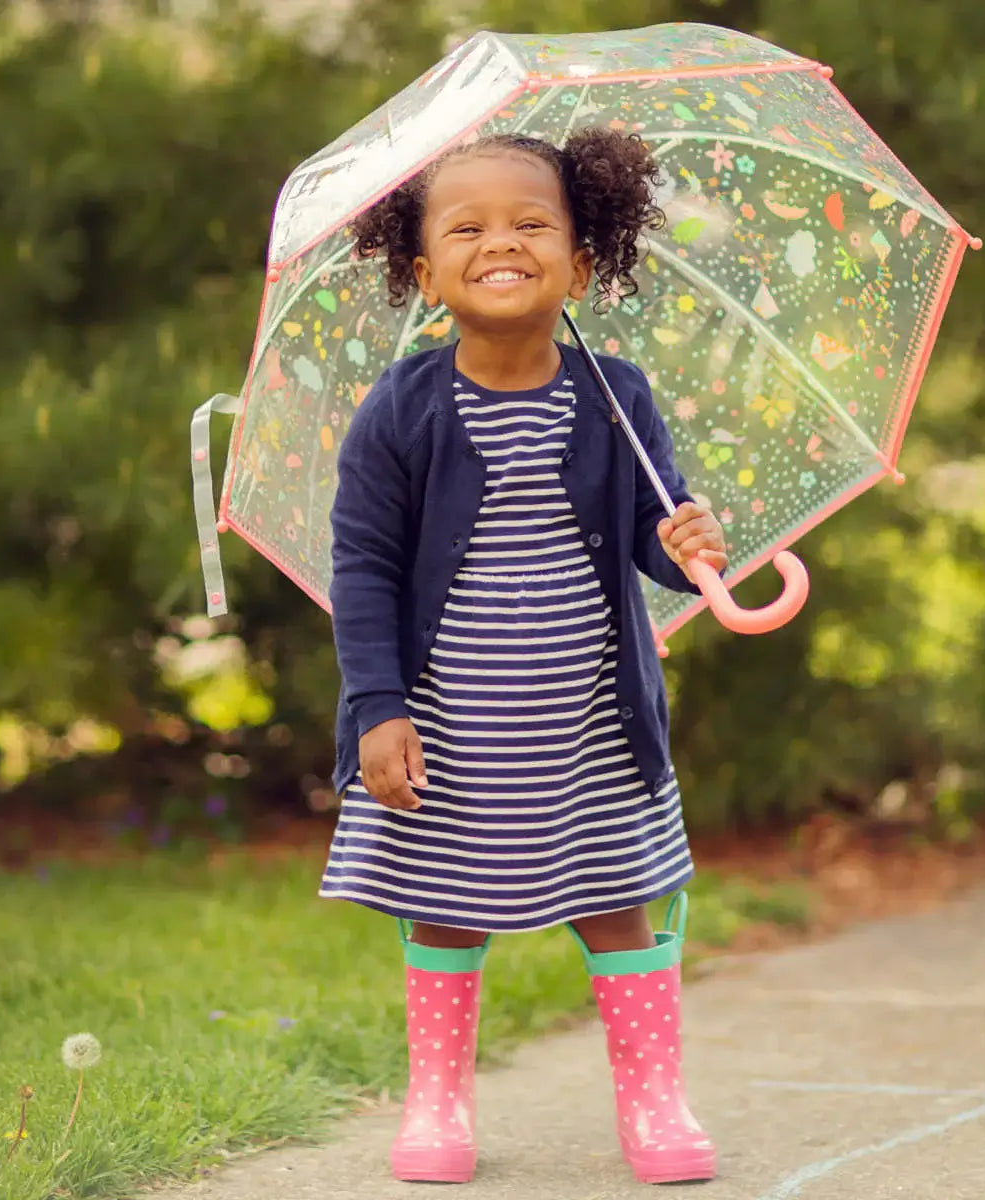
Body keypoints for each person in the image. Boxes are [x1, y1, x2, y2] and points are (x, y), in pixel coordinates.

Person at [320, 127, 728, 1186]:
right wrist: (377, 708)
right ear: (423, 272)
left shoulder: (616, 394)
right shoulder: (401, 408)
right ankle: (437, 1101)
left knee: (616, 890)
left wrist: (684, 545)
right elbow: (361, 567)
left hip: (588, 716)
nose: (501, 241)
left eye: (532, 222)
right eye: (467, 227)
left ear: (584, 261)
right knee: (446, 899)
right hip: (449, 716)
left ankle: (653, 1101)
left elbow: (651, 527)